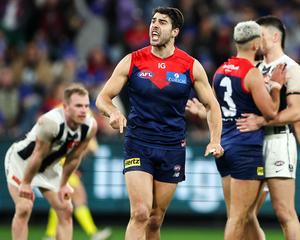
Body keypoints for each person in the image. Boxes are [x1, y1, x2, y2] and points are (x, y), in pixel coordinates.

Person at [95, 6, 224, 240]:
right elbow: (103, 97)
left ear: (175, 31)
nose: (154, 25)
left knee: (155, 219)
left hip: (172, 146)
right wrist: (112, 112)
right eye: (153, 21)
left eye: (162, 22)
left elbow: (212, 106)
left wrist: (215, 140)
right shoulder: (133, 60)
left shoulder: (190, 65)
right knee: (140, 213)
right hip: (138, 142)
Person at [186, 20, 286, 240]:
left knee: (246, 215)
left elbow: (217, 111)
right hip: (246, 148)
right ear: (255, 44)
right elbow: (270, 112)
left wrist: (203, 114)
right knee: (239, 217)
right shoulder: (251, 74)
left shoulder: (220, 71)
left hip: (225, 146)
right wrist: (276, 88)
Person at [235, 16, 300, 240]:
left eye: (260, 35)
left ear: (275, 37)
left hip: (278, 142)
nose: (256, 40)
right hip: (252, 144)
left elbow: (297, 114)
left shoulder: (292, 69)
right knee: (245, 214)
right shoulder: (253, 69)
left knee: (284, 213)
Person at [5, 83, 97, 240]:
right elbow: (37, 155)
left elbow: (74, 157)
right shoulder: (51, 123)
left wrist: (63, 184)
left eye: (86, 106)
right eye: (78, 106)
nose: (84, 110)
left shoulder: (89, 126)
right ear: (66, 107)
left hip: (48, 167)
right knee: (24, 207)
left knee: (65, 208)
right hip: (22, 163)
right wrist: (26, 183)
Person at [43, 138, 112, 240]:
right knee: (78, 200)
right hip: (64, 168)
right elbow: (81, 151)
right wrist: (88, 148)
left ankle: (50, 235)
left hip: (58, 167)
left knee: (59, 201)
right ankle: (93, 233)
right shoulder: (78, 129)